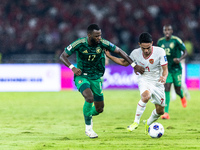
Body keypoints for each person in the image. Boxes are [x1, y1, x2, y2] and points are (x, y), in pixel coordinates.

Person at [59, 24, 144, 138]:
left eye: (100, 35)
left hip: (96, 77)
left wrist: (134, 65)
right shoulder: (79, 43)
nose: (99, 38)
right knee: (89, 97)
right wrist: (72, 68)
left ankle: (88, 114)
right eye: (96, 36)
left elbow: (119, 51)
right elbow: (63, 56)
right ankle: (88, 128)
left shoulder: (103, 43)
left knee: (99, 109)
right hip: (82, 76)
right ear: (89, 35)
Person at [105, 32, 168, 134]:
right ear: (139, 44)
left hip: (158, 81)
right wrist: (110, 56)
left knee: (160, 111)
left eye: (148, 47)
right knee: (145, 96)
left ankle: (148, 122)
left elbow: (165, 69)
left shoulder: (160, 52)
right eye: (144, 48)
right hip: (144, 78)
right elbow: (124, 62)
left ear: (152, 43)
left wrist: (164, 77)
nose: (146, 50)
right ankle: (135, 122)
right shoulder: (135, 53)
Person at [157, 25, 188, 119]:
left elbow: (185, 52)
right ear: (163, 31)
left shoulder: (176, 40)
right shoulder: (160, 42)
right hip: (167, 69)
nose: (167, 31)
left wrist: (179, 59)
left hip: (177, 69)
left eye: (168, 30)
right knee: (167, 88)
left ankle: (182, 96)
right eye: (165, 30)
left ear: (172, 31)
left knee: (177, 89)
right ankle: (166, 113)